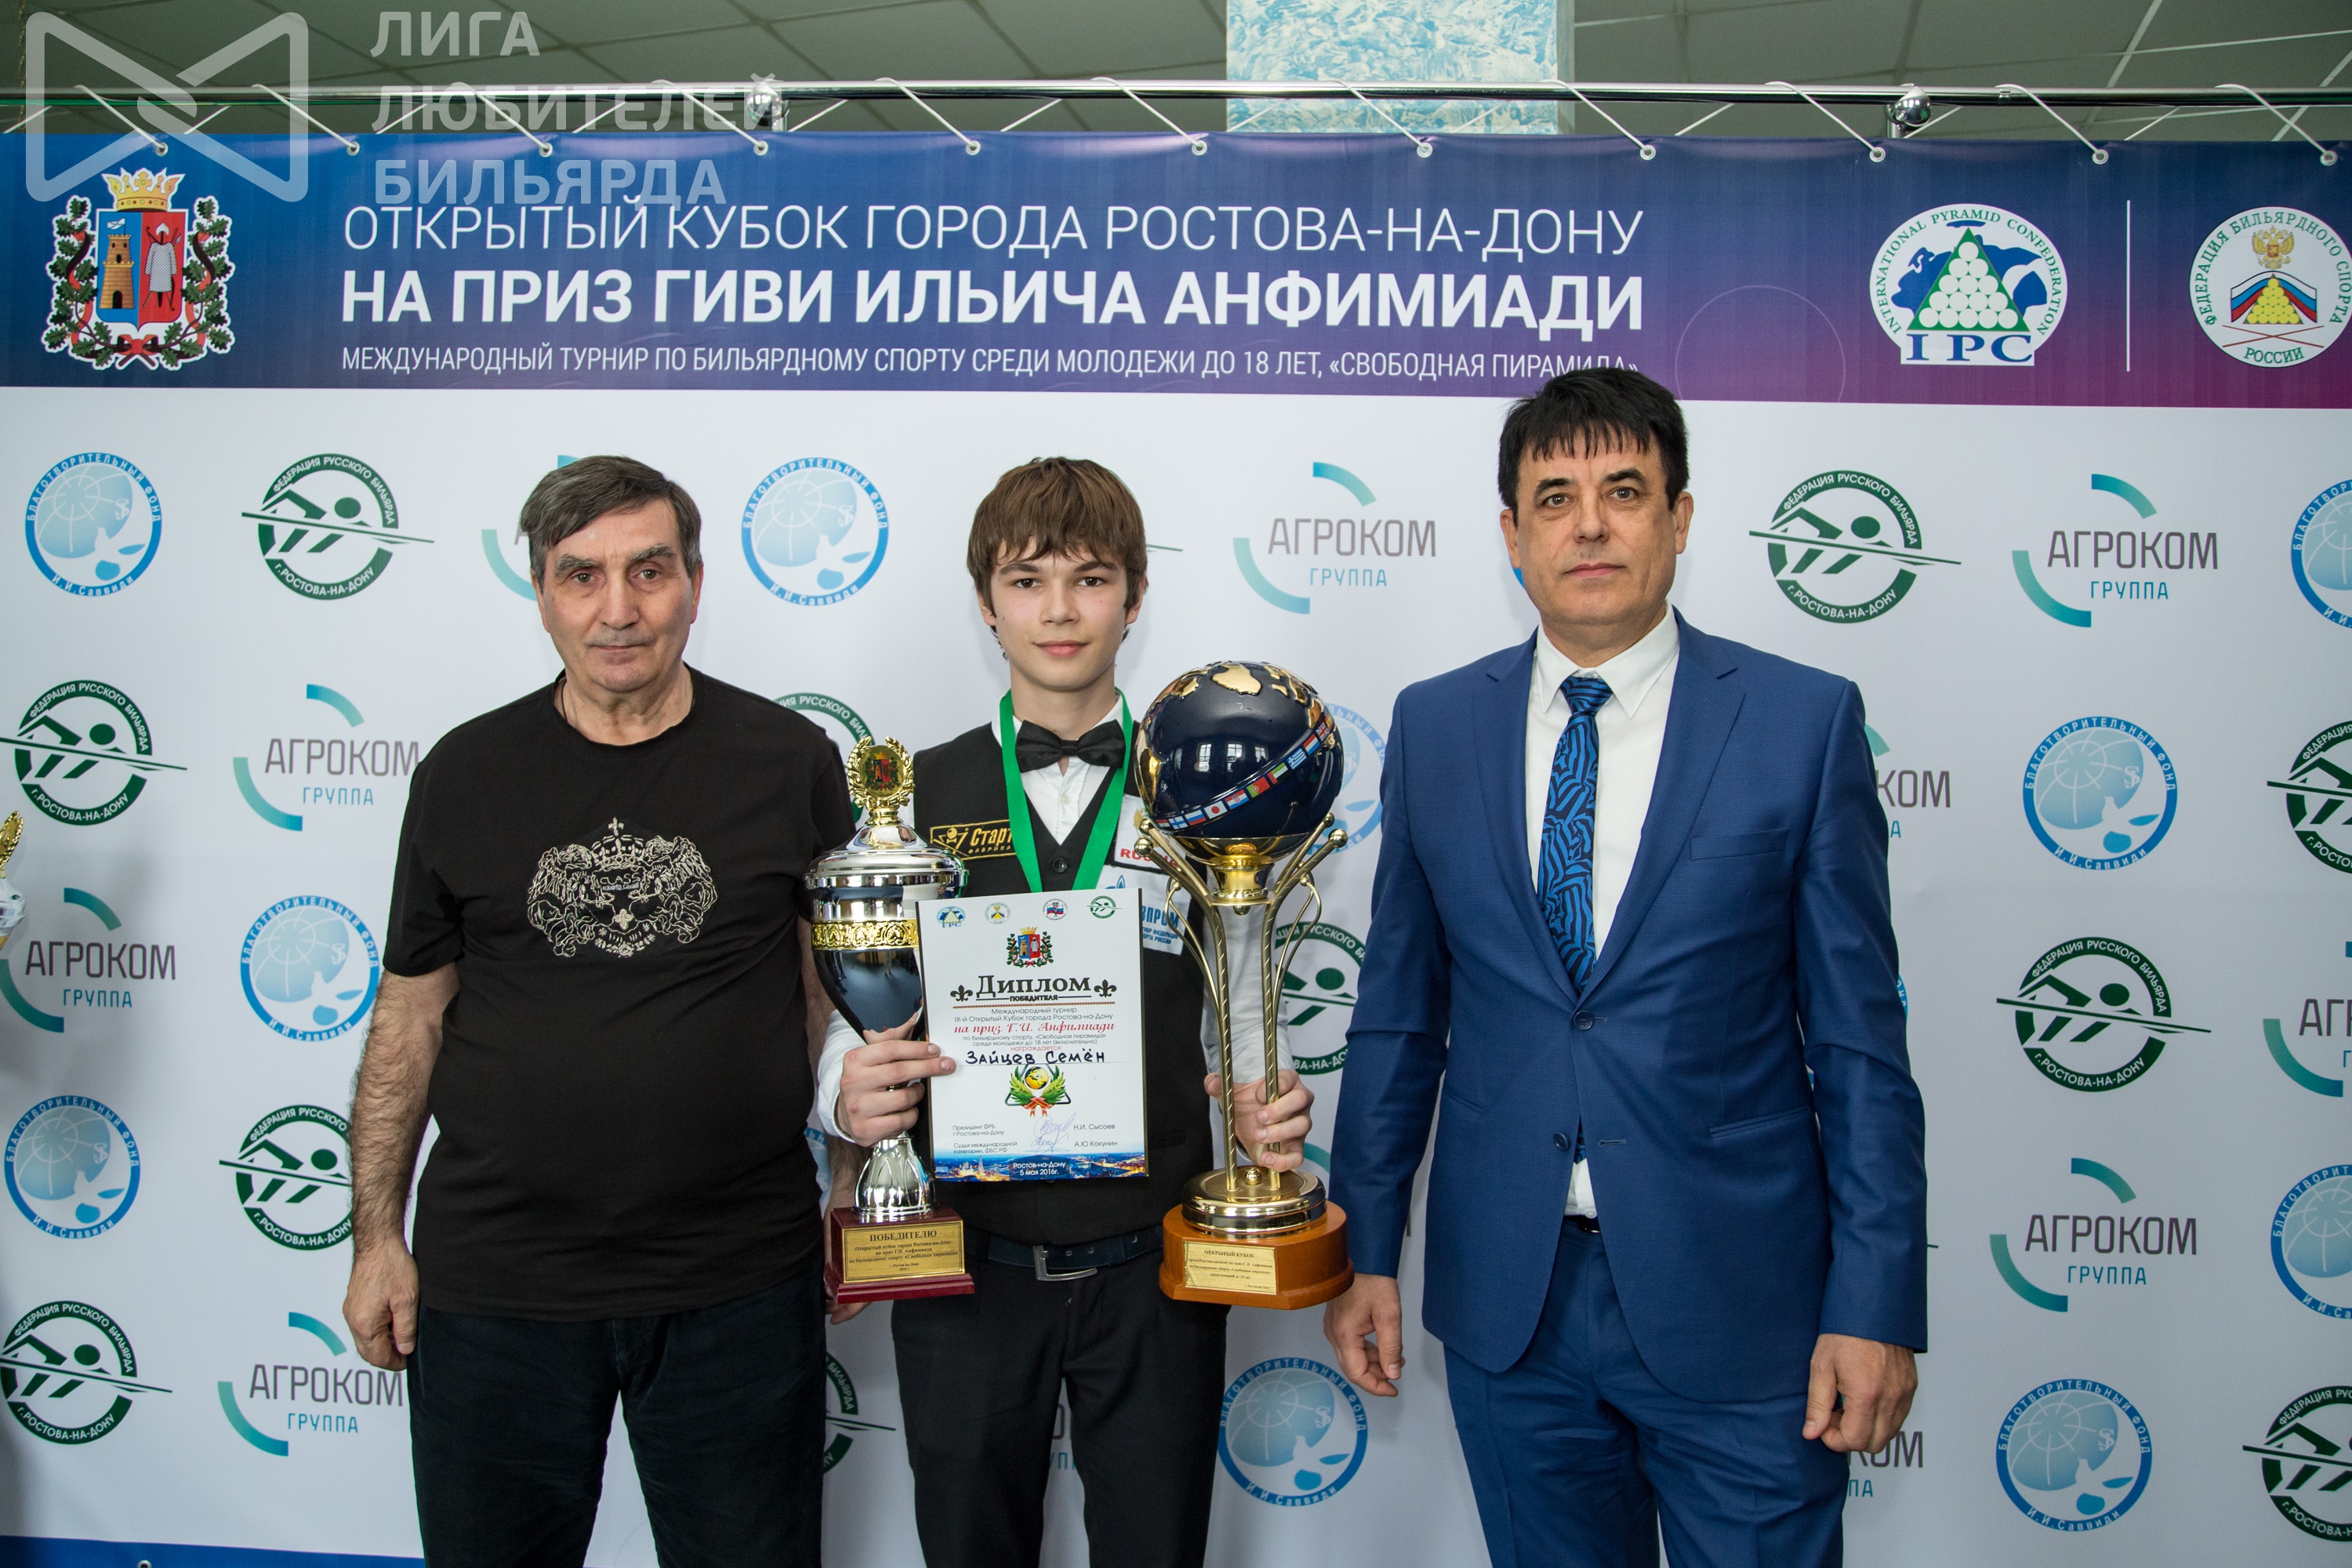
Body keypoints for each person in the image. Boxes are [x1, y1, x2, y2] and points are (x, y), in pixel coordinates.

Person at [1323, 369, 1927, 1568]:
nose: (1589, 525)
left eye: (1625, 491)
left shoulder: (1801, 725)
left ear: (1680, 518)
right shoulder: (1434, 728)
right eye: (1555, 498)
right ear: (1512, 535)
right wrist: (1367, 1248)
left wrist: (1874, 1302)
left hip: (1744, 1308)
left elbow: (1860, 1049)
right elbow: (1398, 1022)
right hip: (1513, 1306)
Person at [342, 456, 852, 1567]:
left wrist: (854, 1186)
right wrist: (376, 1238)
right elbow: (409, 1019)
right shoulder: (464, 774)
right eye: (582, 576)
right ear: (541, 592)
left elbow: (833, 995)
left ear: (696, 585)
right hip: (498, 1285)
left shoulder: (789, 763)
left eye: (649, 571)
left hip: (737, 1277)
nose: (618, 609)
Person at [816, 457, 1313, 1568]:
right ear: (984, 602)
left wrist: (1261, 1101)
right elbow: (861, 1003)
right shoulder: (914, 797)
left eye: (1089, 579)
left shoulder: (1199, 788)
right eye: (1026, 579)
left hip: (1155, 1266)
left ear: (1135, 598)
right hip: (965, 1262)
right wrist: (846, 1104)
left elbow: (1240, 995)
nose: (1058, 610)